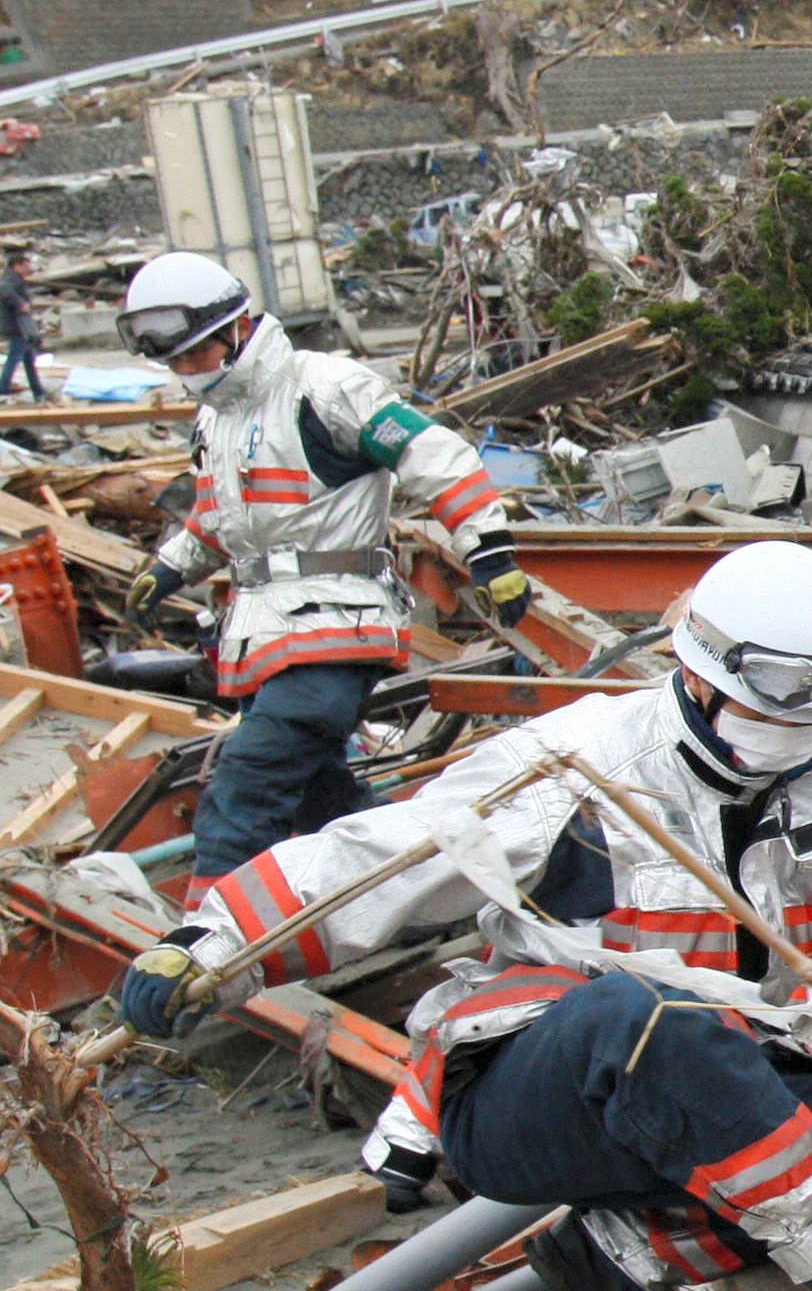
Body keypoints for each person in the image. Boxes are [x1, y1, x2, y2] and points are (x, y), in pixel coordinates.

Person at [115, 541, 812, 1291]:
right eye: (782, 690)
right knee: (648, 1016)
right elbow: (376, 861)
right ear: (702, 670)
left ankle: (617, 1251)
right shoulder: (577, 765)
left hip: (717, 1097)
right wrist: (213, 944)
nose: (802, 717)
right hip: (537, 1093)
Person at [117, 253, 532, 894]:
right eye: (174, 362)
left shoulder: (323, 388)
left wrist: (491, 552)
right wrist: (169, 569)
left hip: (336, 623)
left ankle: (205, 937)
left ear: (233, 328)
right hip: (264, 628)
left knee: (246, 782)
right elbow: (219, 516)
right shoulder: (217, 419)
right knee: (319, 799)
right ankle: (421, 887)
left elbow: (433, 454)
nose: (185, 371)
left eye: (194, 354)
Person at [0, 245, 44, 404]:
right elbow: (4, 290)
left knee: (28, 360)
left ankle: (38, 392)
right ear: (16, 265)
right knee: (14, 358)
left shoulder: (15, 278)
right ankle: (2, 389)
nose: (28, 269)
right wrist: (20, 303)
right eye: (26, 266)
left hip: (20, 326)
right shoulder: (10, 278)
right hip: (16, 326)